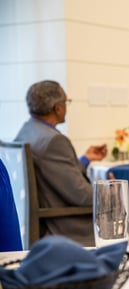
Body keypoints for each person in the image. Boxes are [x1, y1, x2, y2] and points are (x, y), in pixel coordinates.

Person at [14, 80, 107, 246]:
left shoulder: (27, 130)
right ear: (57, 108)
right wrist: (113, 191)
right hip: (68, 226)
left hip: (43, 222)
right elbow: (83, 196)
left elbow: (57, 173)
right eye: (66, 102)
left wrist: (86, 158)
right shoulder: (54, 141)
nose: (66, 107)